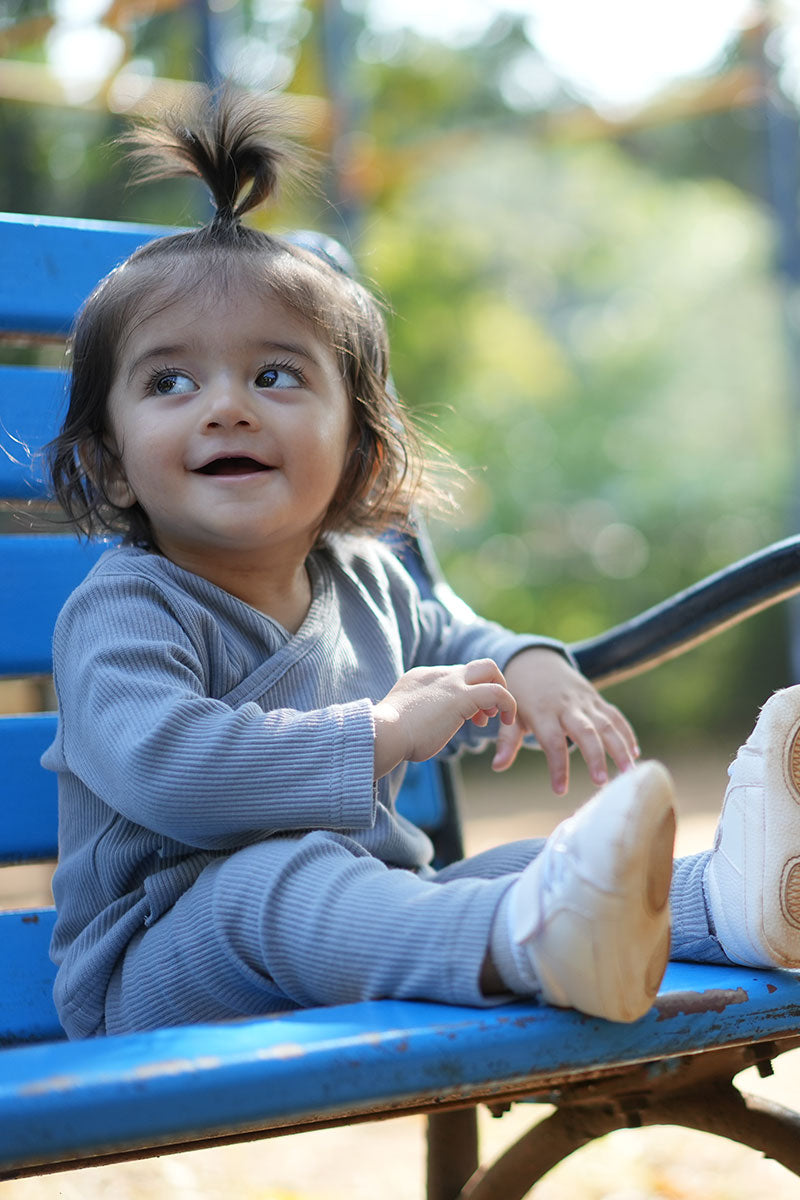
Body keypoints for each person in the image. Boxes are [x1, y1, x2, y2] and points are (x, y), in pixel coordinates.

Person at [42, 89, 800, 1041]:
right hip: (159, 965)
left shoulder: (367, 579)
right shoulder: (126, 611)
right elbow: (171, 774)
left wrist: (528, 664)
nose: (226, 407)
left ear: (356, 449)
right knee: (282, 884)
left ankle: (734, 901)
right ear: (111, 462)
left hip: (366, 907)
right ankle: (546, 945)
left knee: (505, 870)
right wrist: (381, 733)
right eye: (170, 382)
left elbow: (458, 632)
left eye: (275, 375)